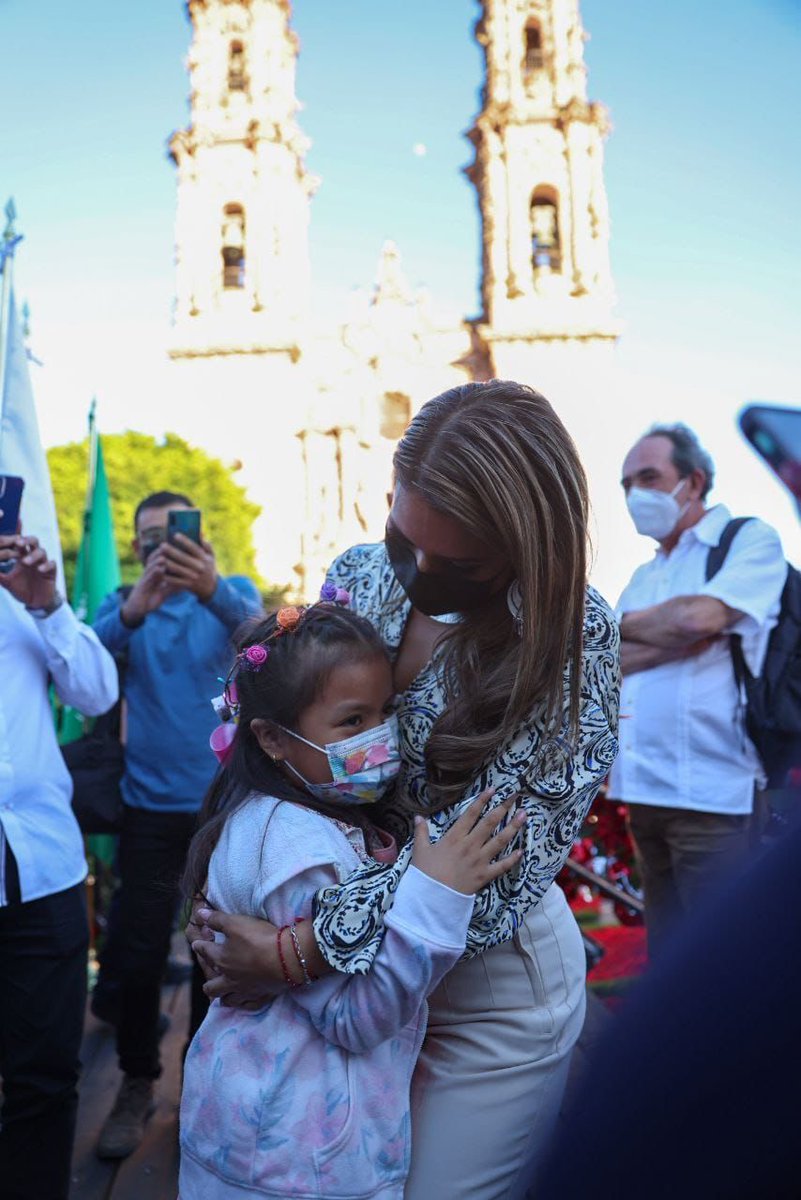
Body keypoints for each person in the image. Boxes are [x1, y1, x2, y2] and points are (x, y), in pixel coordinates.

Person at [188, 380, 621, 1199]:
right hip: (344, 997)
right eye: (402, 536)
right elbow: (297, 734)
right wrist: (232, 898)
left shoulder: (574, 637)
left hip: (486, 992)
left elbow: (488, 873)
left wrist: (296, 949)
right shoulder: (359, 574)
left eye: (456, 563)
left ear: (525, 543)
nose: (417, 572)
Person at [178, 600, 525, 1198]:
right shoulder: (296, 846)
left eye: (385, 711)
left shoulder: (294, 818)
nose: (380, 737)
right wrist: (438, 894)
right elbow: (355, 1016)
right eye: (351, 722)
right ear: (271, 739)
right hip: (299, 1162)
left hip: (270, 1143)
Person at [92, 490, 261, 1160]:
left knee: (212, 954)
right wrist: (135, 609)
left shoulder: (232, 592)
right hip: (147, 811)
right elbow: (87, 658)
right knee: (133, 954)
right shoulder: (123, 606)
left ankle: (200, 1085)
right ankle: (138, 1081)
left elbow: (265, 642)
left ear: (199, 536)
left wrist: (213, 587)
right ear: (135, 547)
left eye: (174, 532)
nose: (160, 546)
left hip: (222, 810)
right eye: (148, 537)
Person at [608, 423, 786, 955]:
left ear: (693, 480)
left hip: (711, 791)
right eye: (626, 485)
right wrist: (673, 632)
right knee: (667, 951)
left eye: (649, 477)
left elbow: (698, 616)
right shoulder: (644, 575)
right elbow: (611, 662)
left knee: (724, 957)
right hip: (642, 792)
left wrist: (643, 625)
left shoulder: (747, 540)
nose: (635, 495)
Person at [0, 528, 118, 1200]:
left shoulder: (24, 595)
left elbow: (98, 695)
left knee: (44, 1081)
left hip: (42, 872)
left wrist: (48, 605)